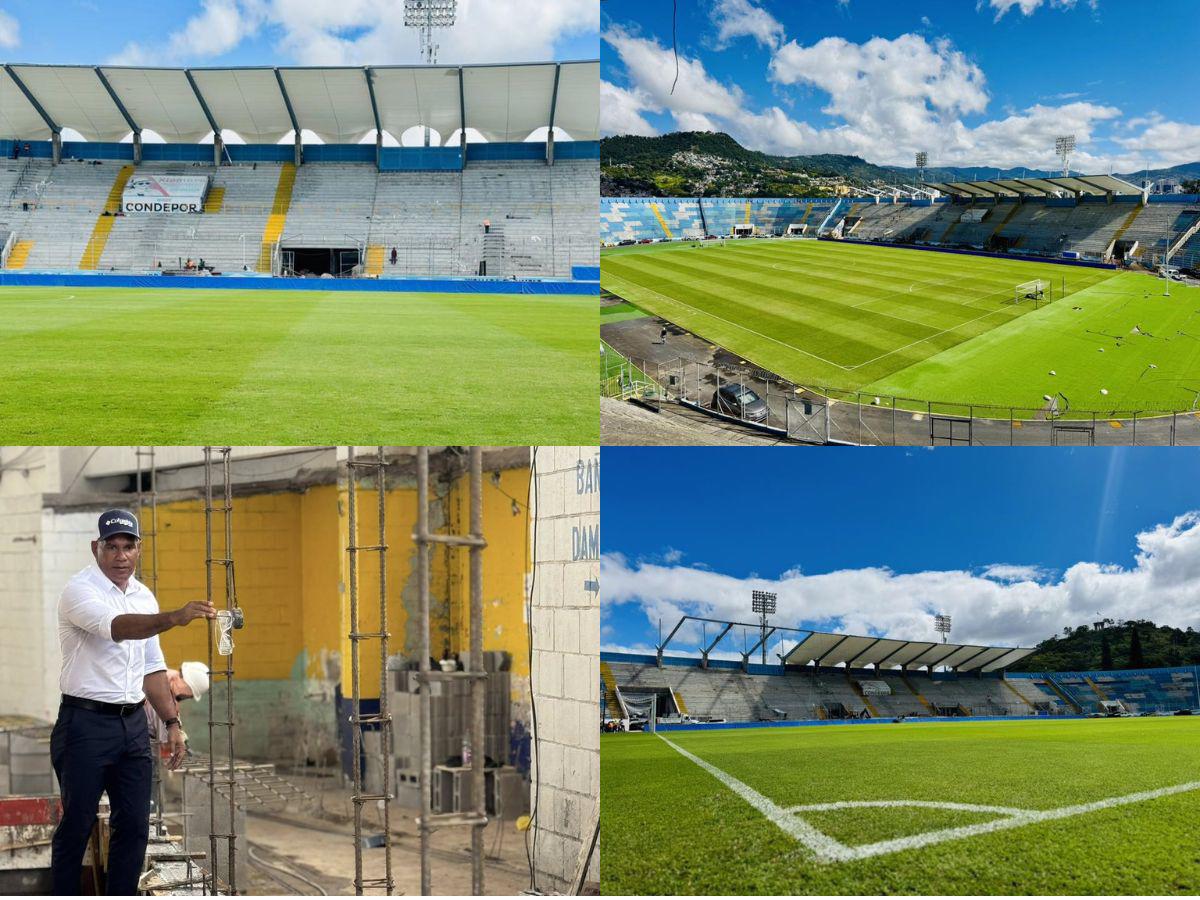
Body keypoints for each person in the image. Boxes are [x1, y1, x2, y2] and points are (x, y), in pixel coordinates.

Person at [50, 509, 216, 895]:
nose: (121, 556)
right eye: (112, 547)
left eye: (128, 547)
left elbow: (153, 669)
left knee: (135, 826)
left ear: (139, 549)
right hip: (85, 724)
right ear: (96, 547)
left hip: (132, 726)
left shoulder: (143, 596)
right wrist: (174, 617)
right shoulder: (80, 591)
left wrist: (172, 724)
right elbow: (118, 627)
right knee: (77, 824)